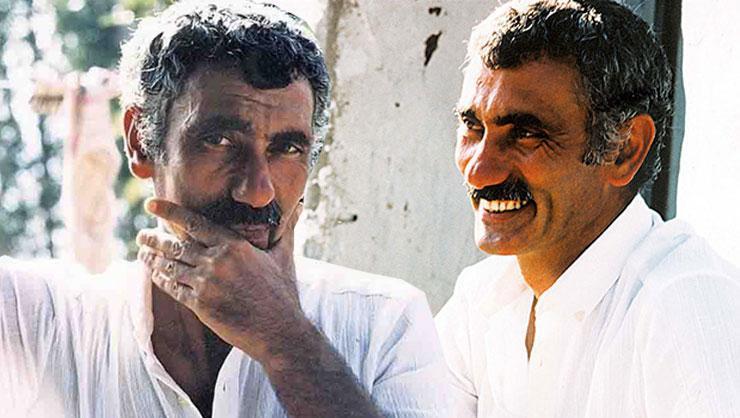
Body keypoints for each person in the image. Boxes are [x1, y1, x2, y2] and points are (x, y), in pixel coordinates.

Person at [0, 1, 449, 417]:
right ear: (140, 142)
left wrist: (284, 338)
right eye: (219, 141)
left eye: (287, 148)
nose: (257, 192)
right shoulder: (45, 321)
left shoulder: (384, 323)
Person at [435, 0, 740, 416]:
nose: (479, 171)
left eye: (526, 134)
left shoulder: (686, 303)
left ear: (624, 149)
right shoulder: (482, 299)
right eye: (473, 127)